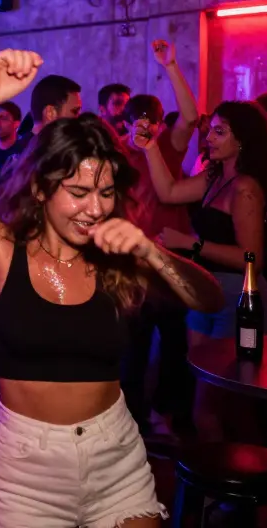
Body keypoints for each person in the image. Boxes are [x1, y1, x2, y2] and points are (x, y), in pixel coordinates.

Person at [0, 50, 223, 528]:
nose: (95, 209)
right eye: (79, 192)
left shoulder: (117, 253)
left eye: (106, 193)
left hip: (116, 455)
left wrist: (153, 254)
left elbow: (209, 299)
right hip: (26, 469)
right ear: (43, 189)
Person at [132, 99, 267, 439]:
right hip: (207, 293)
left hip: (241, 302)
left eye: (219, 131)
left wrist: (190, 243)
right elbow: (168, 192)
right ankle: (235, 480)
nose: (209, 137)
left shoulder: (245, 187)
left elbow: (252, 257)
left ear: (241, 140)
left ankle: (241, 483)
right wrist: (152, 147)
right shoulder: (215, 179)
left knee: (215, 409)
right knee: (213, 402)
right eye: (210, 130)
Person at [120, 39, 201, 438]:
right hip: (135, 267)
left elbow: (192, 115)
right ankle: (134, 423)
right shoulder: (120, 155)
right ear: (125, 124)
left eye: (149, 120)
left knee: (175, 347)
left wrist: (170, 66)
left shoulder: (168, 146)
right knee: (133, 350)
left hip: (172, 263)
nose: (143, 127)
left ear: (158, 122)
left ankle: (176, 418)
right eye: (136, 121)